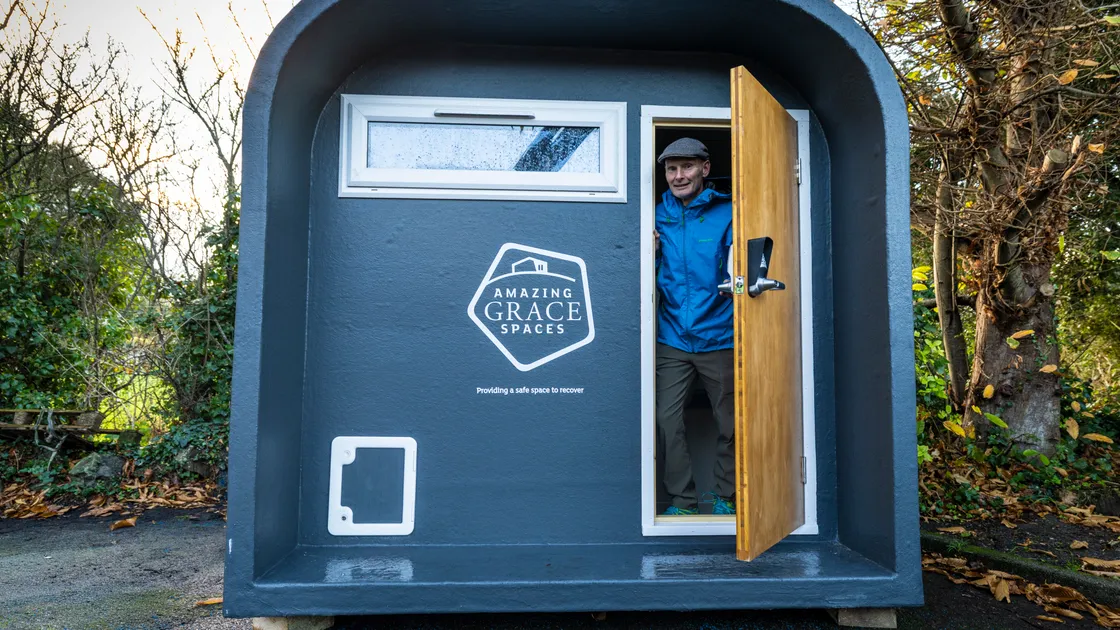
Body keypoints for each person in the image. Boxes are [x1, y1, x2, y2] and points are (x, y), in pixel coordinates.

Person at [654, 137, 736, 516]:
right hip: (671, 336)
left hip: (720, 334)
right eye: (671, 169)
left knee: (731, 422)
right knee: (667, 420)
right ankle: (683, 501)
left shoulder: (730, 213)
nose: (678, 175)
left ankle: (726, 496)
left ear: (705, 169)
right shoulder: (654, 215)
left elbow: (742, 271)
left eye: (687, 167)